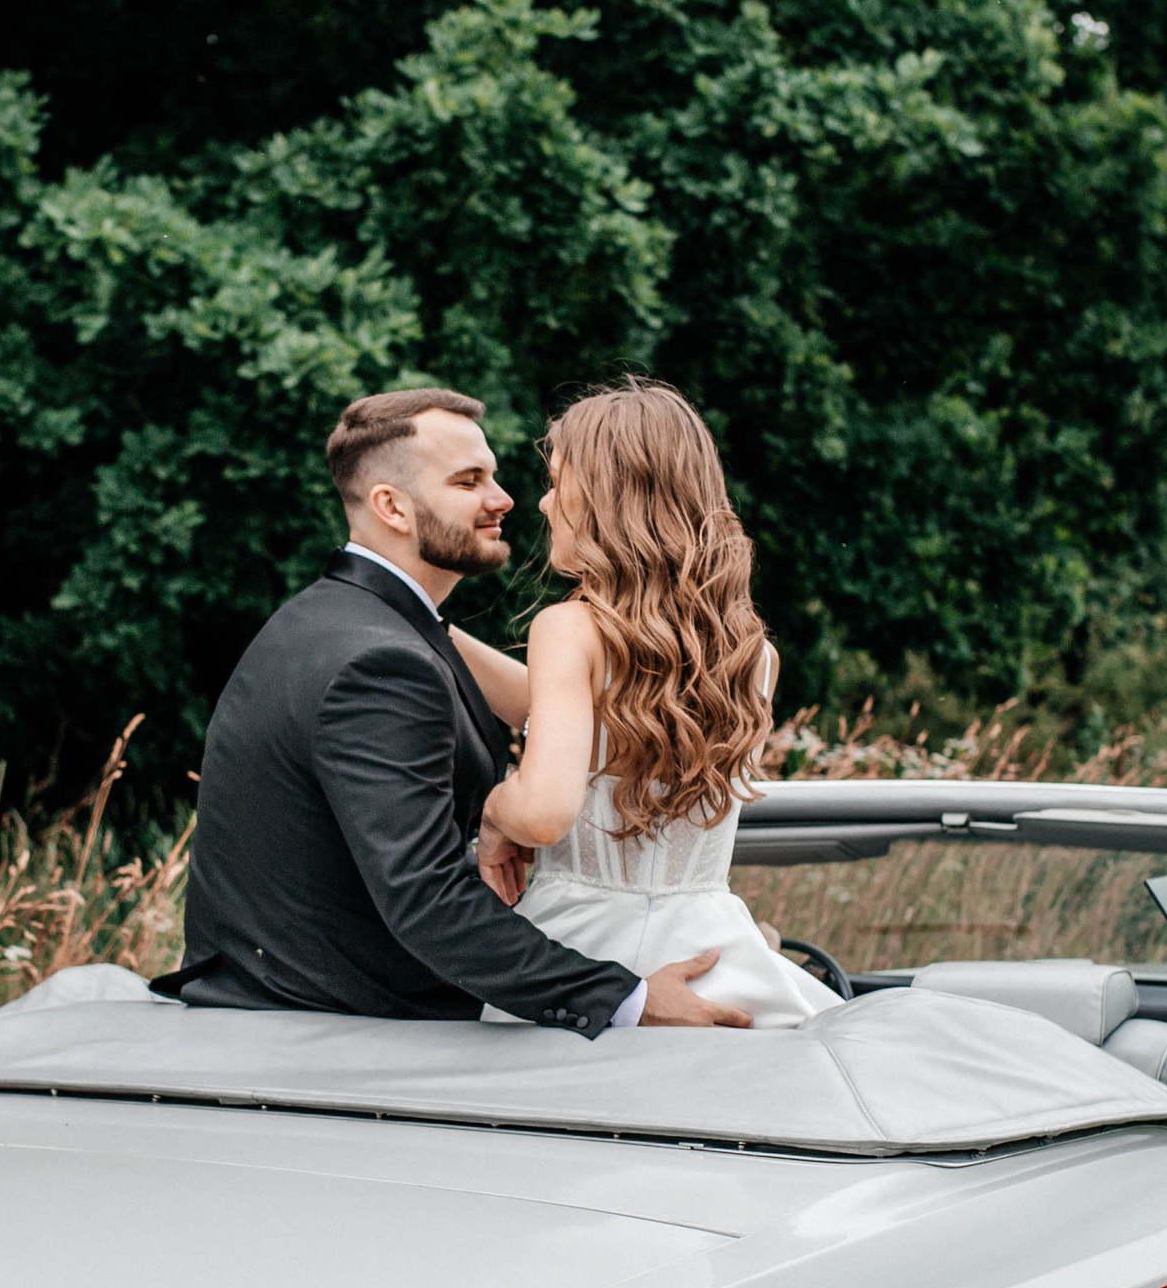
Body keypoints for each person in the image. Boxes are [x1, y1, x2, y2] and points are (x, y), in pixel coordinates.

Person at [171, 388, 752, 1031]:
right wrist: (627, 1001)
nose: (507, 500)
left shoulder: (361, 625)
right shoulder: (376, 662)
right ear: (392, 506)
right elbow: (426, 898)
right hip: (334, 1026)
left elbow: (583, 706)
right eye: (469, 481)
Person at [468, 381, 833, 1026]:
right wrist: (436, 633)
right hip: (716, 955)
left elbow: (545, 813)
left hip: (586, 950)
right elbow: (590, 721)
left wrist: (497, 812)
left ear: (607, 495)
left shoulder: (567, 628)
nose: (544, 503)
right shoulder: (753, 658)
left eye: (556, 481)